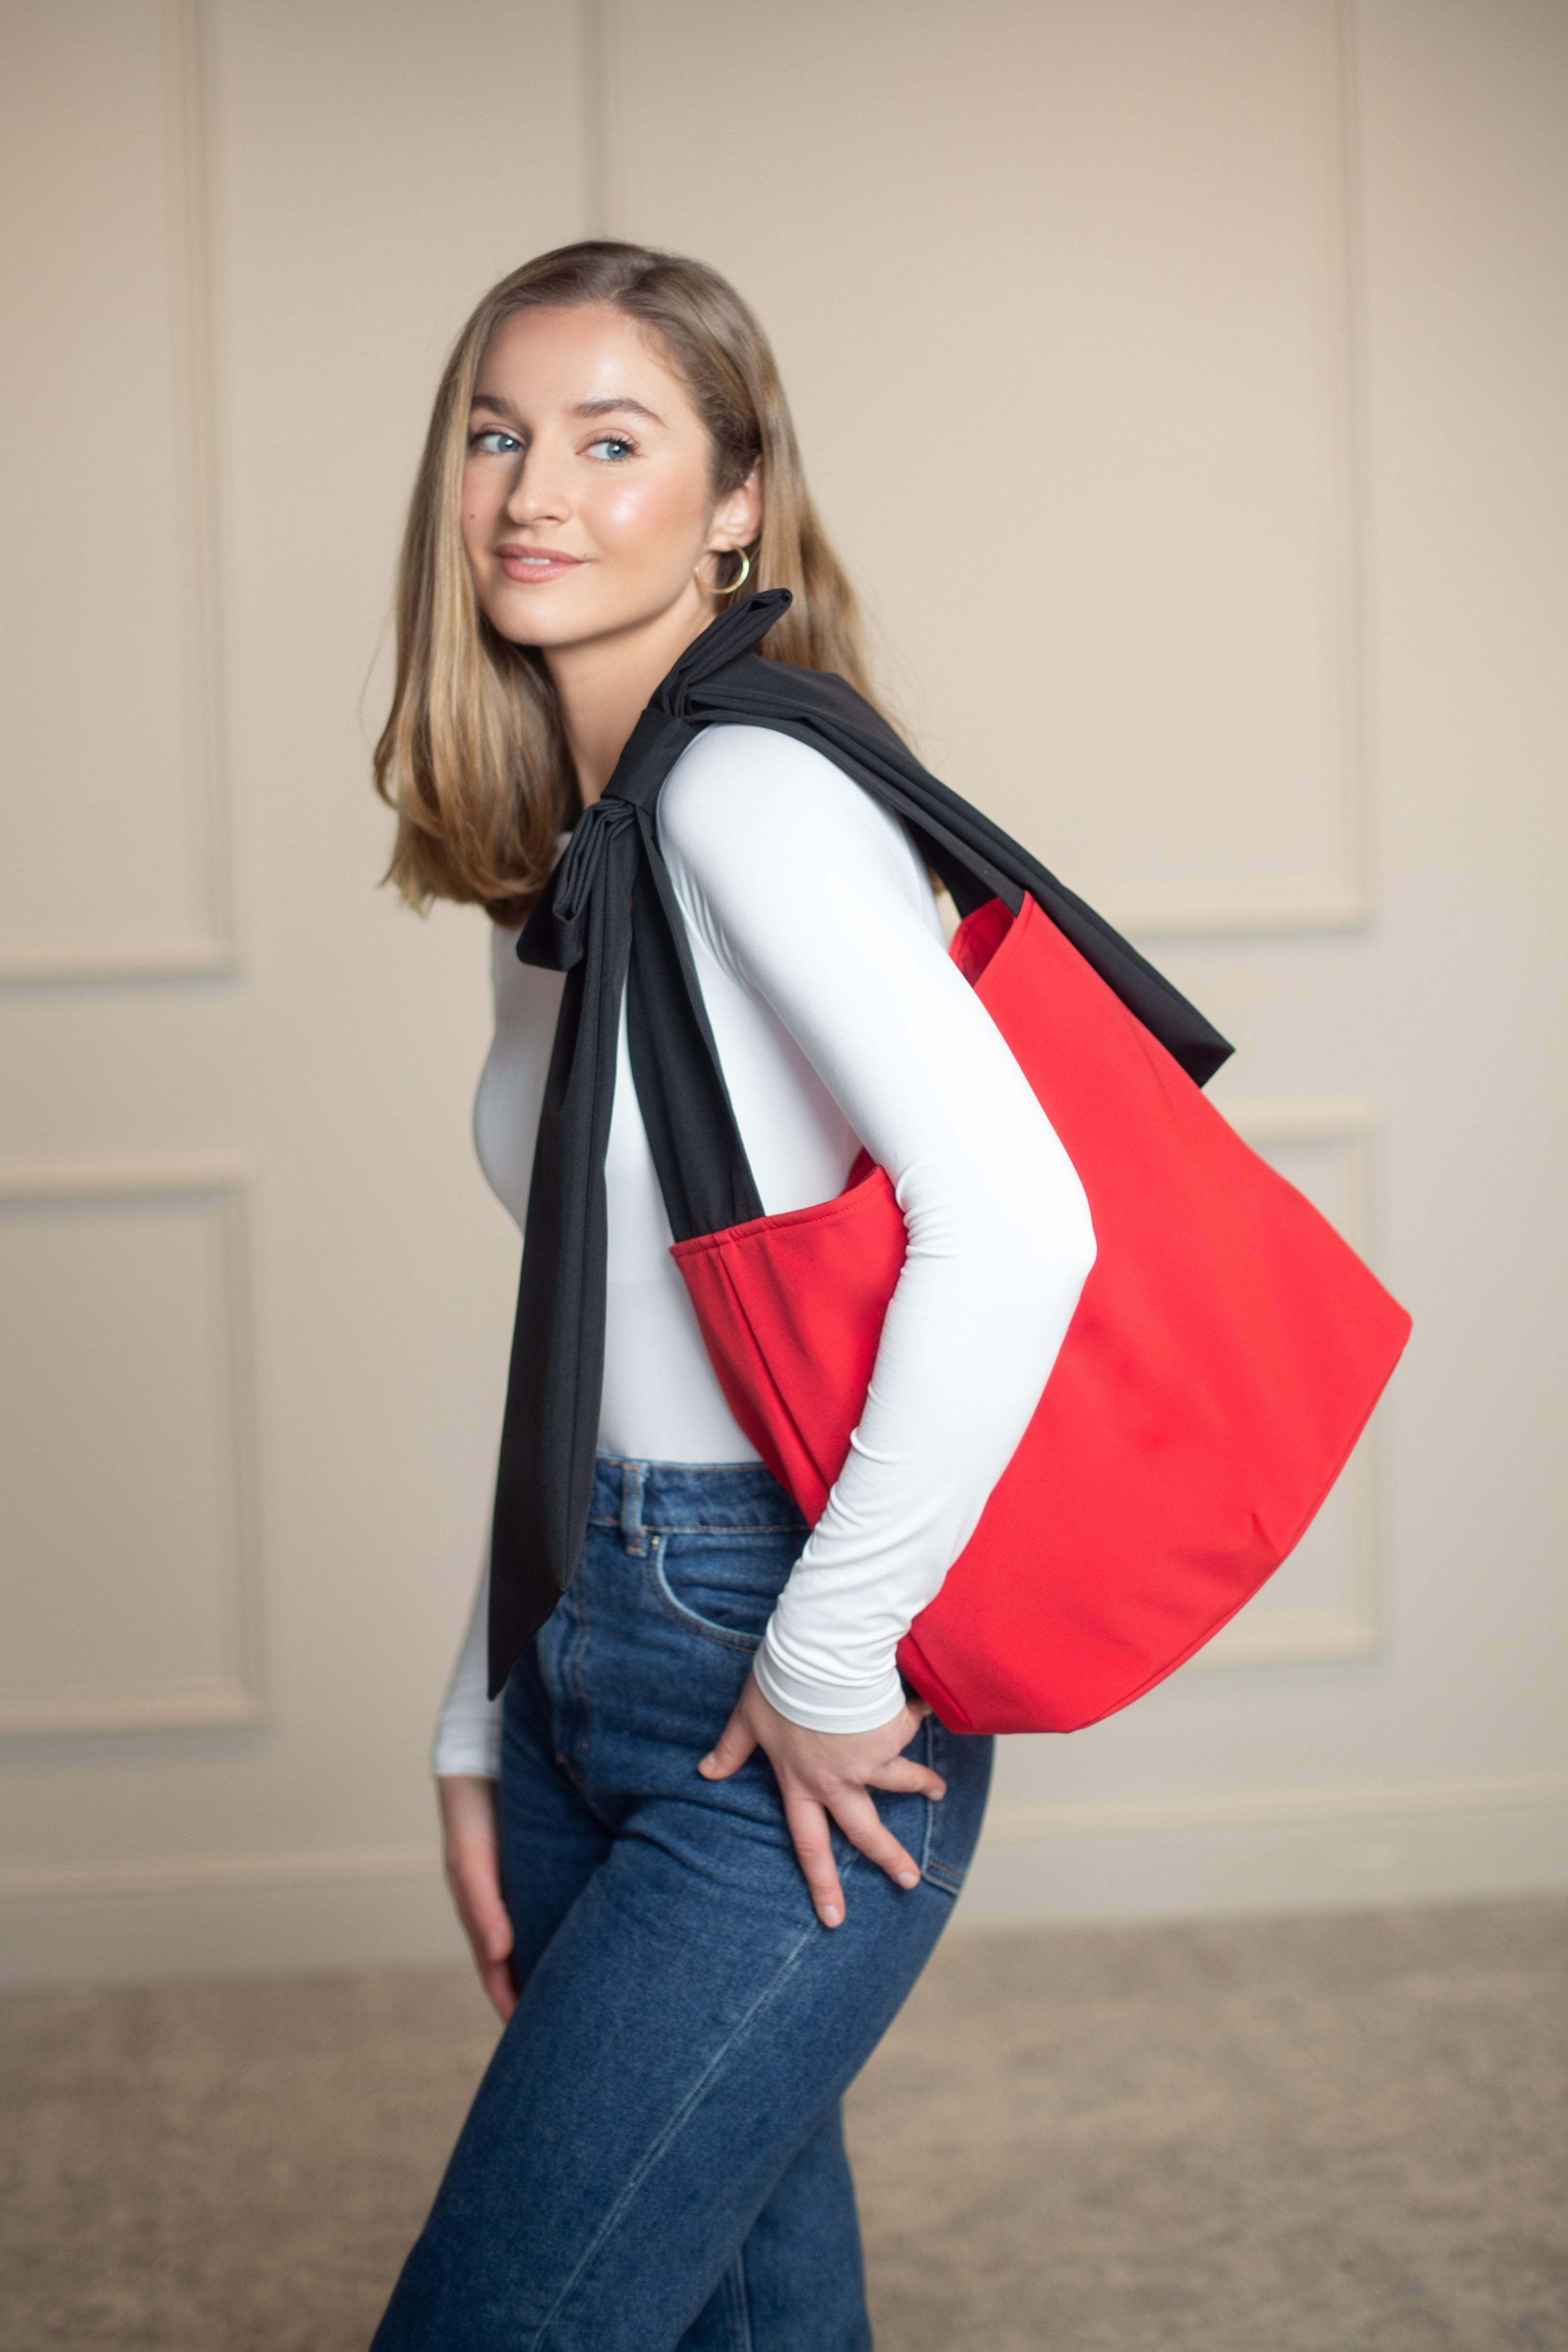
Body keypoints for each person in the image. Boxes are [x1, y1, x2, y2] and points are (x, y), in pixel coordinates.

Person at [369, 241, 1096, 2351]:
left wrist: (837, 1648)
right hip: (589, 1621)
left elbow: (1018, 1220)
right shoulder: (572, 841)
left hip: (774, 1644)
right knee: (743, 2317)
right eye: (499, 433)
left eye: (615, 440)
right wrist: (480, 1698)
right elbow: (587, 1327)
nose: (532, 488)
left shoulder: (749, 788)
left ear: (736, 499)